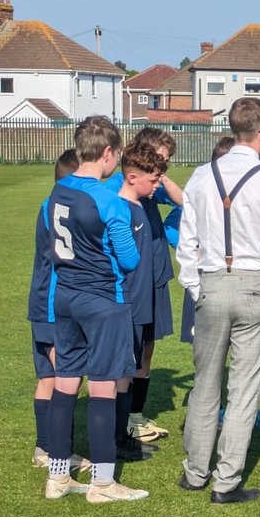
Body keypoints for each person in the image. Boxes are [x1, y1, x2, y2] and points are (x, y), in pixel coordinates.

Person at [176, 97, 260, 504]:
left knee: (205, 382)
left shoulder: (200, 176)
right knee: (244, 390)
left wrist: (197, 287)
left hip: (211, 283)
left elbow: (186, 242)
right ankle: (226, 481)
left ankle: (195, 472)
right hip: (255, 285)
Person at [44, 115, 148, 503]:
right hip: (104, 301)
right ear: (108, 152)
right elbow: (131, 259)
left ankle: (58, 477)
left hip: (65, 297)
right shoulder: (110, 199)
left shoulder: (55, 192)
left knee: (66, 382)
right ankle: (103, 483)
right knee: (103, 386)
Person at [174, 136, 260, 433]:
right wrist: (195, 277)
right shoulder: (204, 188)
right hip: (208, 282)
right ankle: (213, 412)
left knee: (243, 358)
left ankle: (242, 410)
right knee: (210, 361)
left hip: (245, 282)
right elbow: (179, 232)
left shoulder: (252, 190)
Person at [105, 127, 183, 443]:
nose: (163, 169)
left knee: (147, 344)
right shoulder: (119, 186)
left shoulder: (152, 185)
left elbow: (186, 202)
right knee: (127, 346)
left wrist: (160, 176)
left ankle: (135, 416)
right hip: (130, 279)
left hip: (154, 271)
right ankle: (119, 420)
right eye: (161, 160)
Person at [28, 147, 90, 475]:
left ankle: (44, 447)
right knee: (67, 376)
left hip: (40, 303)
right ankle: (59, 453)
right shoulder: (60, 209)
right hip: (54, 305)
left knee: (49, 377)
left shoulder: (46, 205)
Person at [116, 140, 168, 462]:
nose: (157, 185)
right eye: (154, 179)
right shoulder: (121, 210)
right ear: (133, 176)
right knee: (121, 372)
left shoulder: (139, 207)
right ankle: (117, 440)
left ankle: (122, 435)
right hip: (125, 305)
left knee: (128, 369)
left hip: (139, 302)